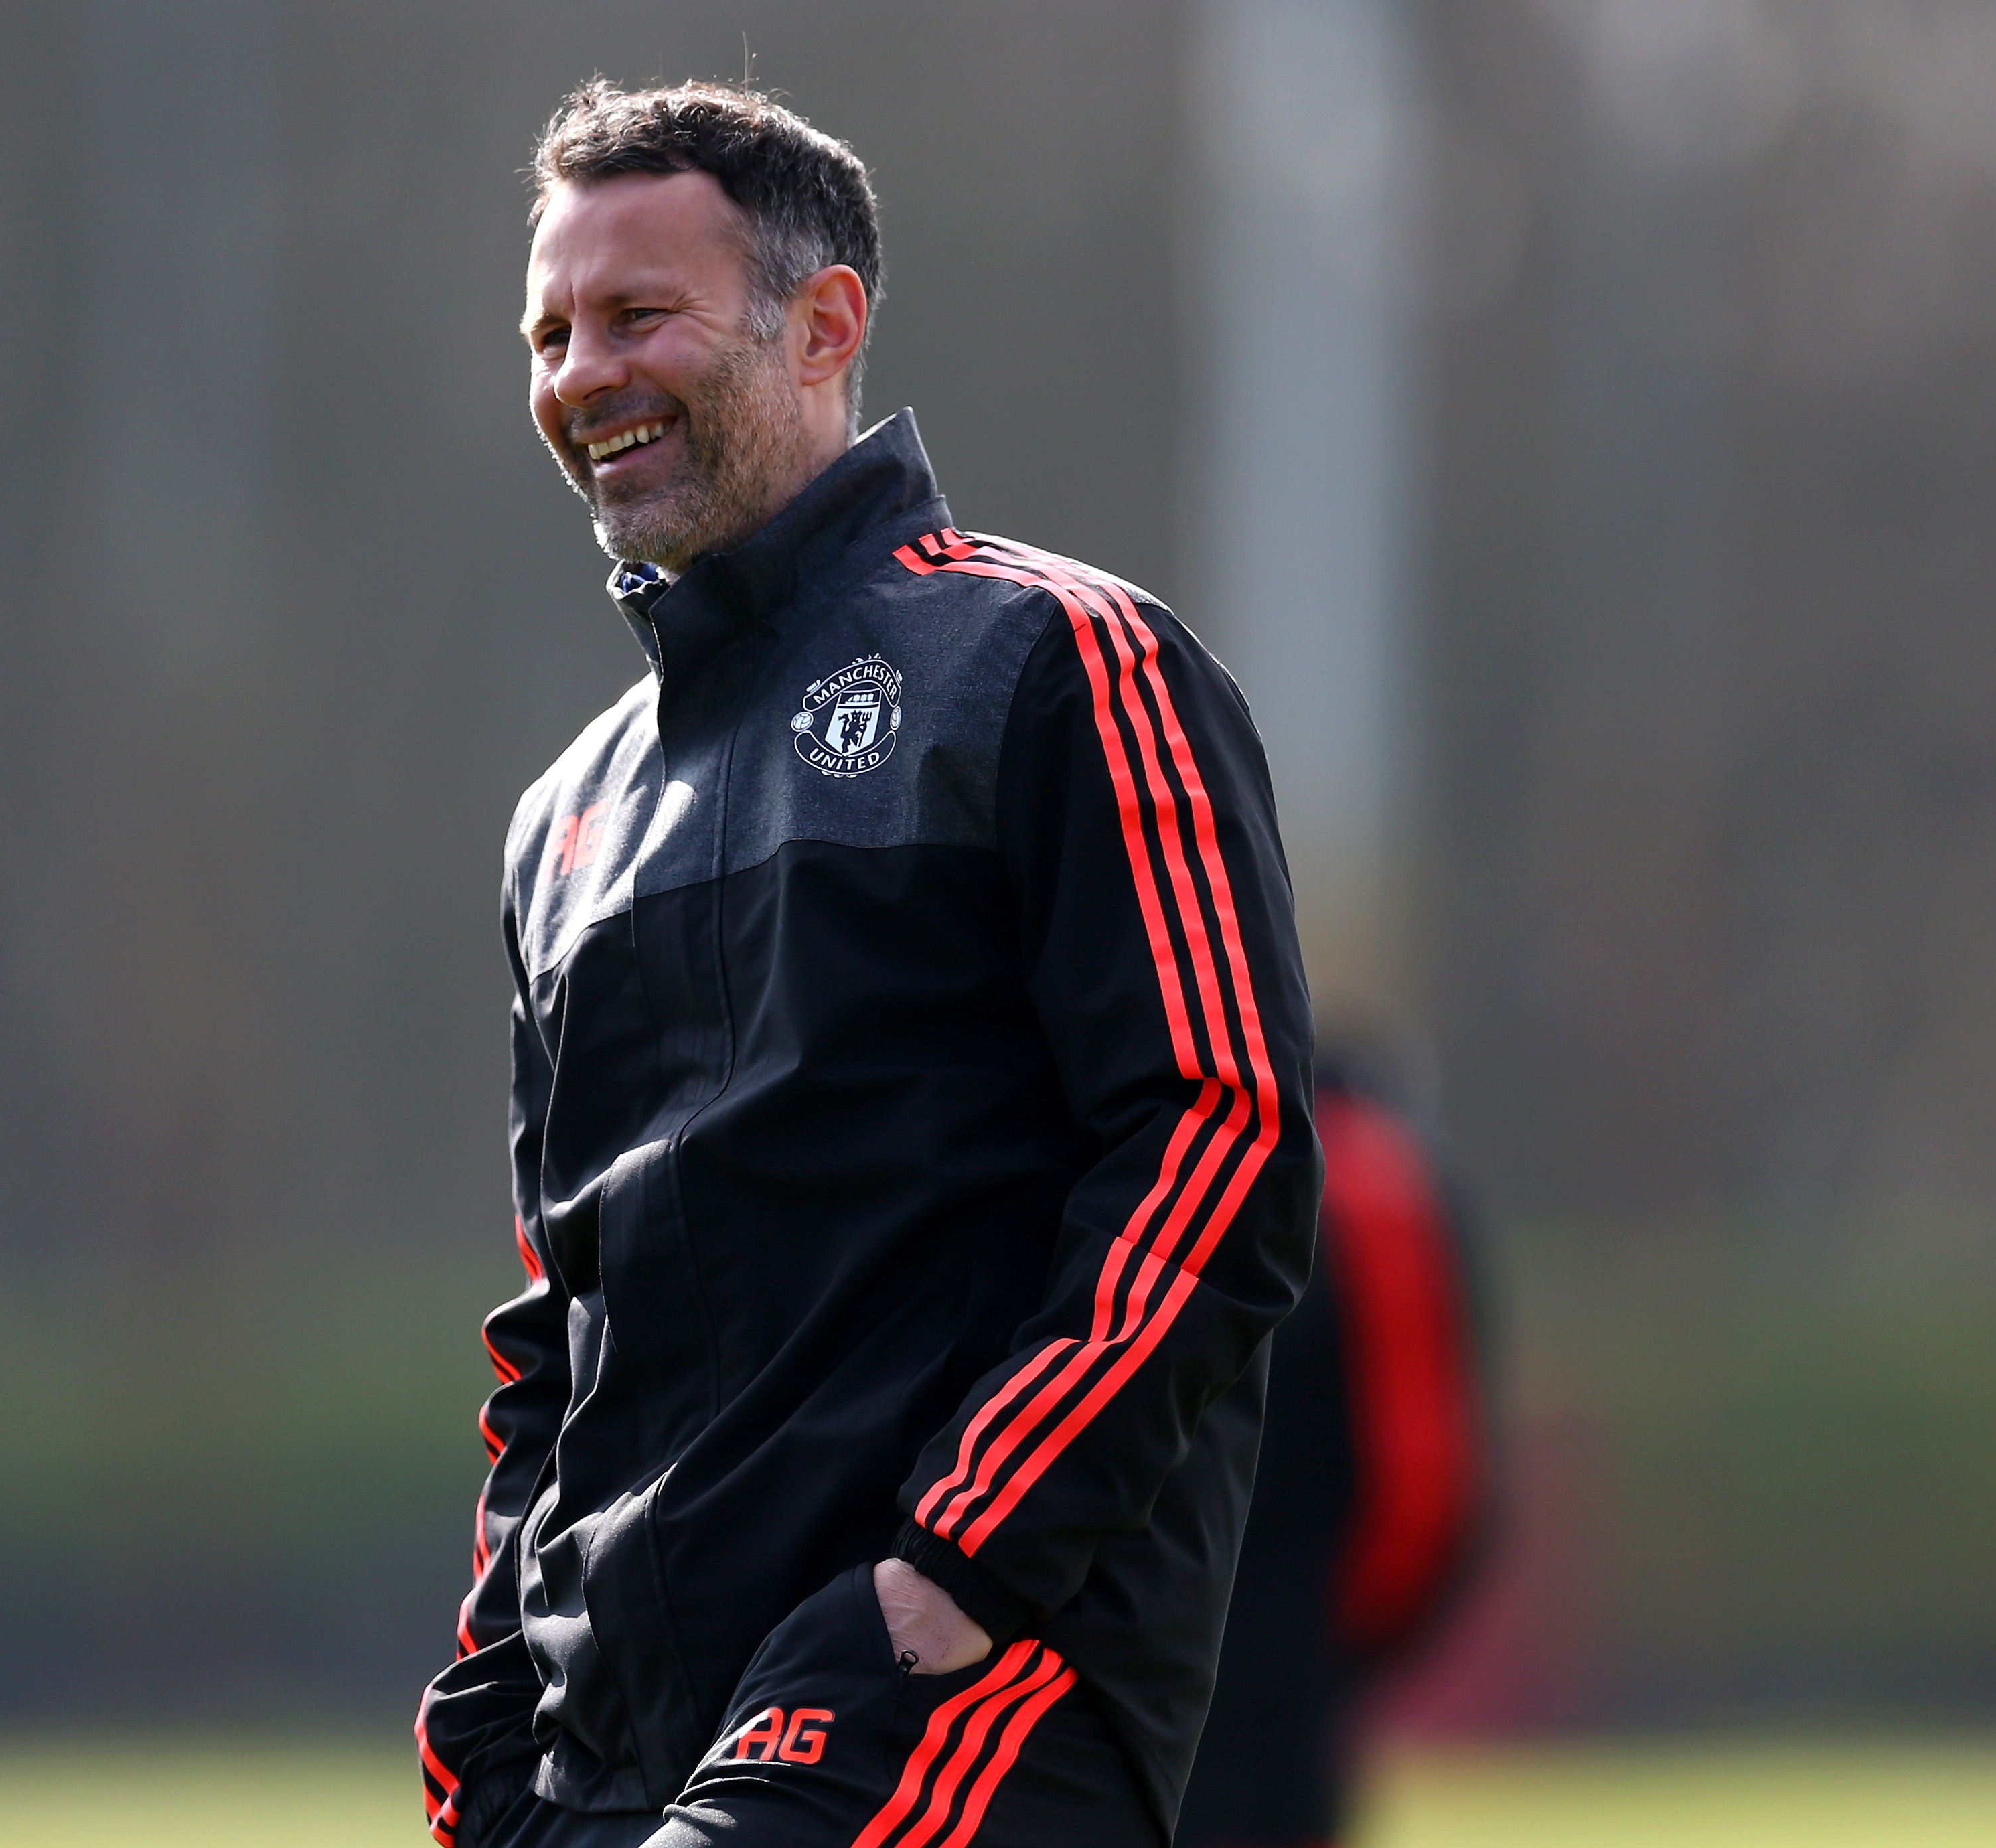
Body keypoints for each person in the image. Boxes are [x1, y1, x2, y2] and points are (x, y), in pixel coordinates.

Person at [416, 79, 1320, 1848]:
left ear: (822, 325)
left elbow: (1220, 1137)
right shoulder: (566, 818)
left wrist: (960, 1557)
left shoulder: (1056, 661)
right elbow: (558, 1330)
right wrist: (486, 1737)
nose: (580, 374)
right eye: (548, 331)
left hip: (931, 1675)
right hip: (605, 1748)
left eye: (637, 316)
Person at [1174, 1063, 1494, 1848]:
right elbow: (1426, 1482)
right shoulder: (1361, 1163)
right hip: (1264, 1640)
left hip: (1239, 1645)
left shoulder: (1355, 1170)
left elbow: (1420, 1477)